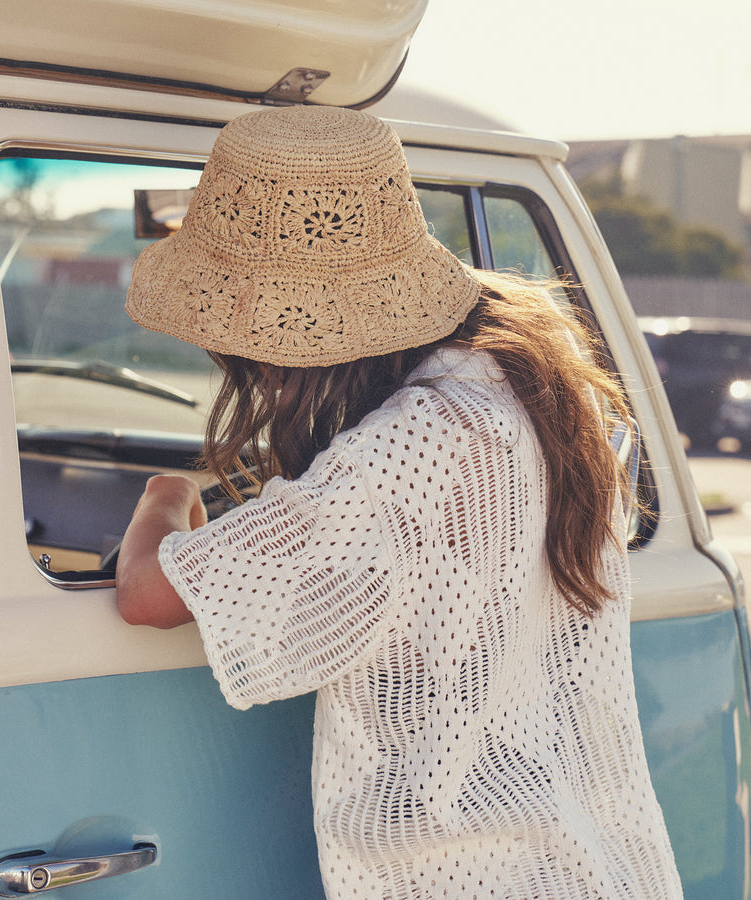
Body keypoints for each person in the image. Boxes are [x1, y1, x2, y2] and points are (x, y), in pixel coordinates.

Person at [116, 104, 682, 899]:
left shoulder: (397, 456)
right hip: (594, 865)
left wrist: (165, 494)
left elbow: (146, 594)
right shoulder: (528, 390)